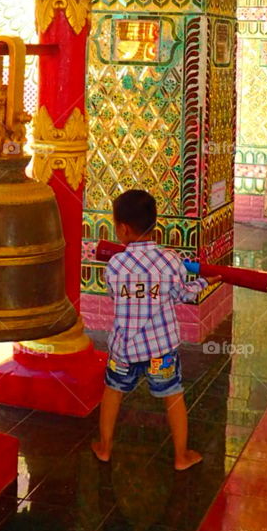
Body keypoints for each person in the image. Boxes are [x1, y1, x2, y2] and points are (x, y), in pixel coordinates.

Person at [92, 189, 212, 471]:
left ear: (123, 228)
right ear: (153, 223)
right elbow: (183, 294)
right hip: (162, 349)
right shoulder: (171, 260)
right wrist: (205, 281)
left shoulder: (115, 264)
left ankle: (105, 448)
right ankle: (181, 456)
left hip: (124, 349)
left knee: (112, 391)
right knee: (173, 395)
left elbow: (113, 294)